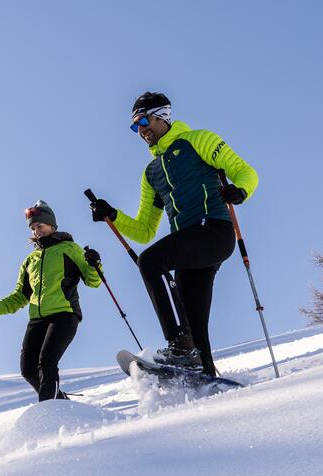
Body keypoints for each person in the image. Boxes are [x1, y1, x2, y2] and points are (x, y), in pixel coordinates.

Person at [88, 92, 258, 377]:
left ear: (162, 116)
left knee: (150, 262)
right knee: (194, 325)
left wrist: (240, 191)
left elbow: (244, 171)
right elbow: (144, 230)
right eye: (135, 126)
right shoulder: (151, 173)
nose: (140, 130)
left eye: (143, 121)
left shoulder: (199, 140)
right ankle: (204, 376)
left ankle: (179, 348)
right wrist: (113, 214)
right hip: (188, 248)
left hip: (213, 231)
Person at [0, 200, 103, 401]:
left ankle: (49, 412)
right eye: (33, 227)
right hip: (37, 319)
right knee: (28, 368)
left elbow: (93, 280)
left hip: (64, 315)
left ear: (52, 226)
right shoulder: (30, 260)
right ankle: (60, 404)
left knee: (46, 362)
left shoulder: (70, 248)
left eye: (40, 226)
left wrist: (94, 263)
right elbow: (20, 296)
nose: (37, 231)